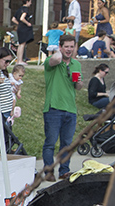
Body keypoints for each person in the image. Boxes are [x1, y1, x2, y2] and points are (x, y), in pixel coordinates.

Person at [43, 34, 83, 180]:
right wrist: (59, 52)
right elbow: (55, 59)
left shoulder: (76, 64)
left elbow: (78, 87)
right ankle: (48, 171)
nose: (69, 49)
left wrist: (79, 82)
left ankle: (64, 171)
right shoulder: (52, 61)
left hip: (70, 109)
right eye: (66, 46)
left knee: (67, 144)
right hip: (53, 108)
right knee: (50, 143)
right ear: (60, 47)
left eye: (72, 47)